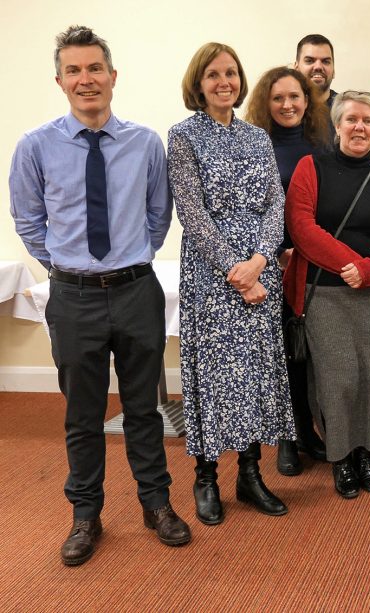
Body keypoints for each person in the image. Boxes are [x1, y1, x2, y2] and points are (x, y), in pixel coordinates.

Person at [9, 24, 191, 566]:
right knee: (83, 416)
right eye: (74, 71)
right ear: (60, 80)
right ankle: (85, 515)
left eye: (95, 69)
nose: (86, 79)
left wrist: (125, 260)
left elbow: (160, 216)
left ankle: (156, 505)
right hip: (73, 299)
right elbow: (29, 222)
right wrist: (75, 269)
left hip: (137, 290)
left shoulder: (145, 144)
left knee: (144, 409)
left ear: (113, 76)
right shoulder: (35, 146)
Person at [168, 42, 296, 525]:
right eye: (214, 74)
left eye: (232, 73)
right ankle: (206, 477)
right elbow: (192, 215)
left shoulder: (257, 137)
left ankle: (249, 473)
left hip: (261, 271)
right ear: (198, 83)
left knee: (257, 371)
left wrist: (260, 261)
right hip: (212, 273)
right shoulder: (183, 136)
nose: (225, 82)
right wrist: (235, 271)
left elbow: (274, 204)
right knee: (216, 375)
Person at [284, 91, 370, 499]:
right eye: (352, 119)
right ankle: (340, 456)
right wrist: (350, 265)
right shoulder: (311, 168)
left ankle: (366, 454)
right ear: (337, 125)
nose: (360, 127)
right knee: (338, 380)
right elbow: (301, 226)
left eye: (368, 122)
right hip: (327, 295)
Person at [245, 66, 331, 476]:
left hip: (315, 269)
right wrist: (274, 252)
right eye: (278, 98)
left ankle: (308, 431)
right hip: (273, 268)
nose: (287, 105)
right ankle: (285, 440)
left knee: (307, 354)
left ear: (307, 100)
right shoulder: (254, 146)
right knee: (280, 357)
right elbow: (252, 211)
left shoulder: (323, 144)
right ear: (266, 102)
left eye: (295, 97)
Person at [293, 34, 337, 142]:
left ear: (334, 70)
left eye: (326, 61)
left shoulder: (345, 110)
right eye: (309, 61)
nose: (318, 67)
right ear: (296, 68)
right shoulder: (285, 109)